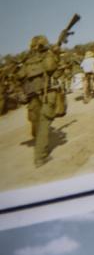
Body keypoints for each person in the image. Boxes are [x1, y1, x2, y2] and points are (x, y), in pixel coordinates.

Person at [16, 35, 67, 167]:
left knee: (37, 124)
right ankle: (40, 156)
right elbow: (54, 71)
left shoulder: (27, 61)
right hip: (46, 94)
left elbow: (19, 76)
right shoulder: (48, 56)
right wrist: (56, 54)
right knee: (44, 124)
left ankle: (39, 145)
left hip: (32, 97)